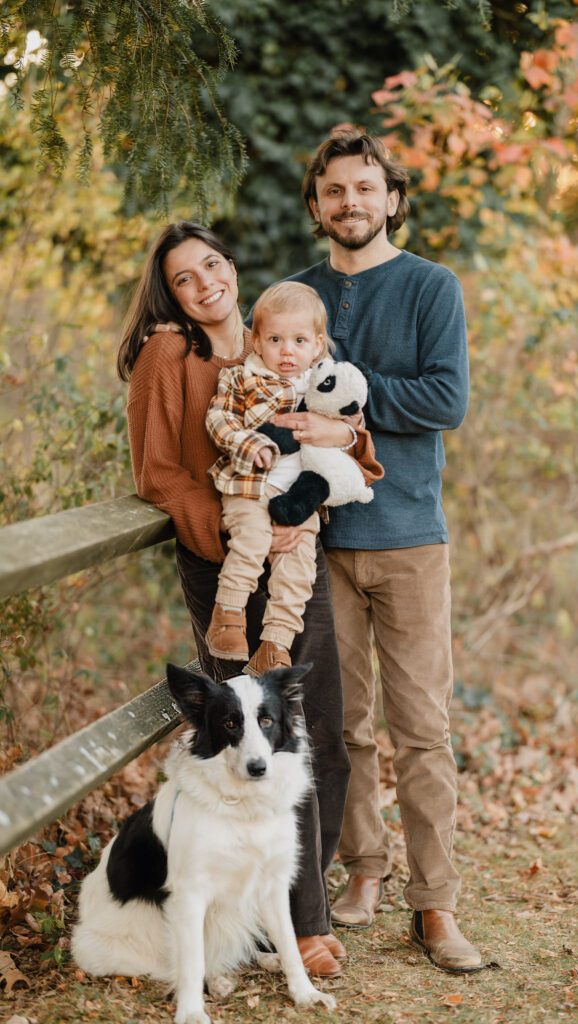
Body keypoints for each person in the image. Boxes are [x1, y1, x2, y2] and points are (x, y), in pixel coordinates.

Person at [115, 221, 379, 979]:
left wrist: (336, 458)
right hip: (225, 564)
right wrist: (233, 539)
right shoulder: (172, 353)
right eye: (184, 278)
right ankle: (306, 930)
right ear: (169, 293)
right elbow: (157, 473)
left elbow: (341, 429)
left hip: (297, 552)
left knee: (321, 732)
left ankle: (288, 906)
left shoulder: (279, 339)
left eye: (211, 265)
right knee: (255, 740)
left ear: (231, 265)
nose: (204, 285)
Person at [273, 130, 484, 973]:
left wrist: (348, 413)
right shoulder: (298, 295)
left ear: (391, 198)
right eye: (333, 190)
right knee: (341, 728)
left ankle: (435, 906)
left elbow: (447, 398)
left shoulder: (432, 286)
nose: (349, 202)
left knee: (422, 730)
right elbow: (269, 380)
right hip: (317, 547)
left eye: (365, 188)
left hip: (407, 539)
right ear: (316, 203)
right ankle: (363, 874)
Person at [204, 281, 359, 677]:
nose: (287, 350)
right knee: (252, 541)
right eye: (274, 339)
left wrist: (347, 427)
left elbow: (350, 425)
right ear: (255, 340)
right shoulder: (240, 378)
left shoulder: (321, 385)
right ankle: (229, 618)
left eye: (299, 340)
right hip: (249, 488)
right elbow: (219, 419)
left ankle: (275, 646)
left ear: (317, 344)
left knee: (300, 566)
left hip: (297, 498)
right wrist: (248, 443)